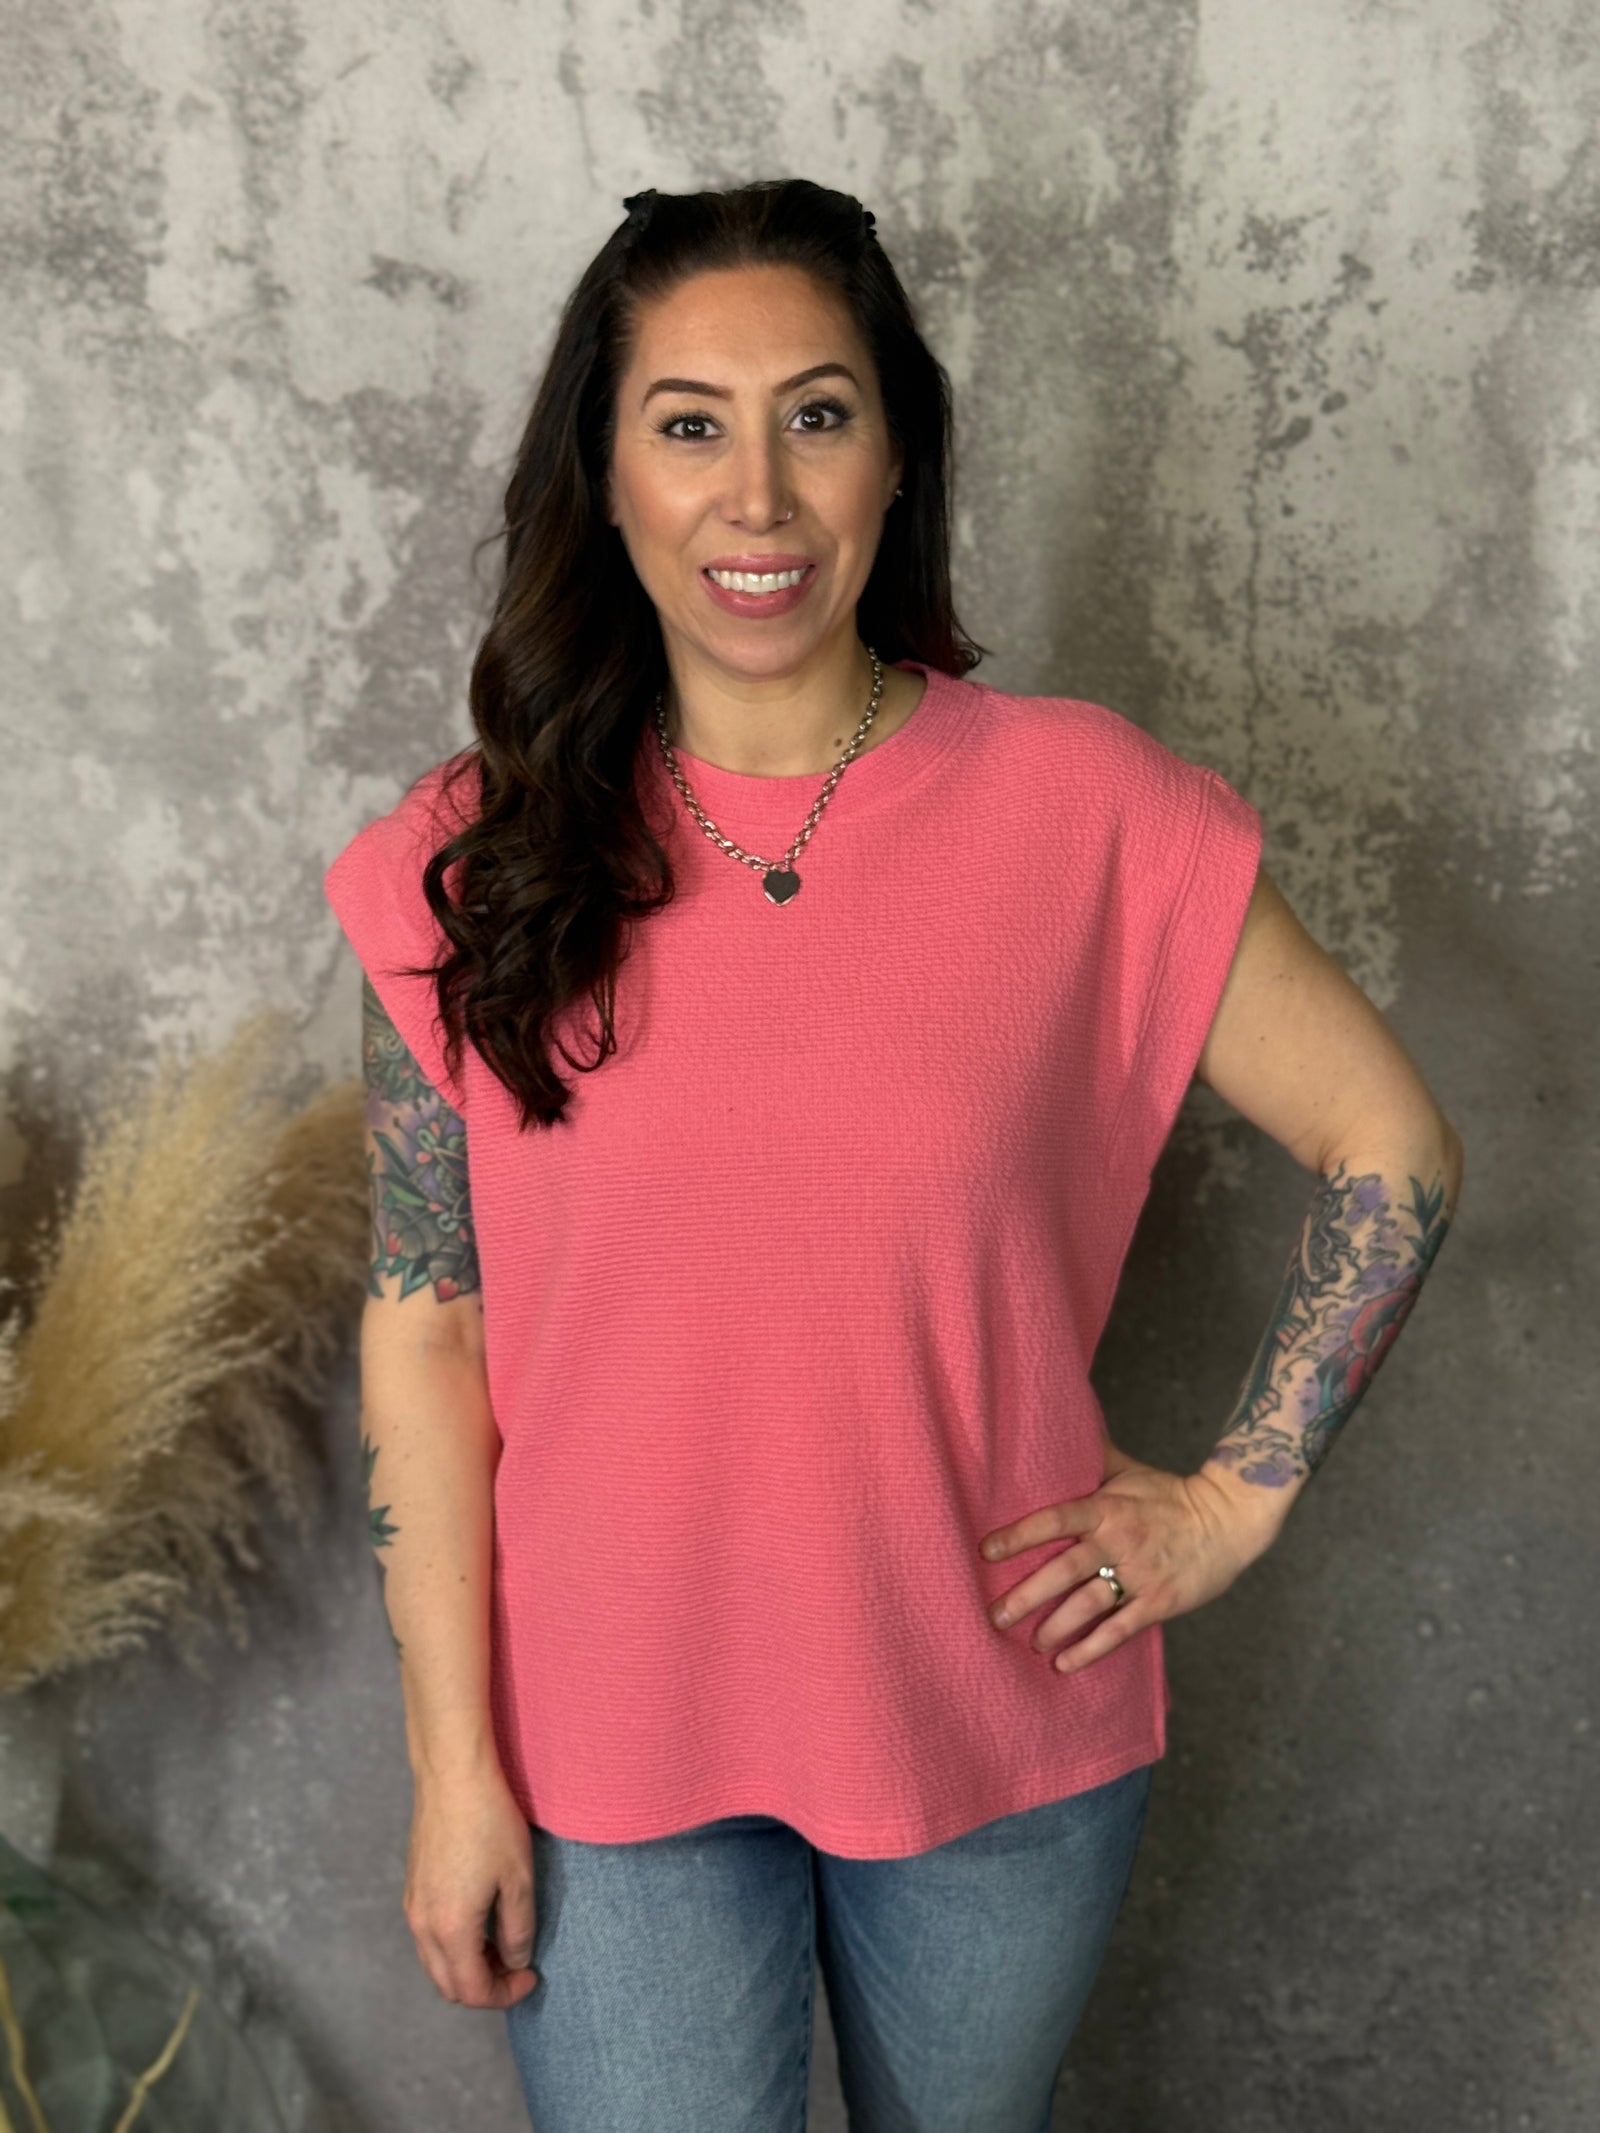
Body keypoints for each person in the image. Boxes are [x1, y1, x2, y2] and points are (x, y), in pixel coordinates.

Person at [324, 179, 1464, 2133]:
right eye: (690, 423)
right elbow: (427, 1326)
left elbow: (1392, 1145)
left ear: (896, 454)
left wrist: (1229, 1498)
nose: (756, 494)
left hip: (993, 1714)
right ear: (604, 476)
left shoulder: (1084, 809)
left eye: (818, 414)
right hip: (603, 1739)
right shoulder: (468, 866)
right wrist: (454, 1765)